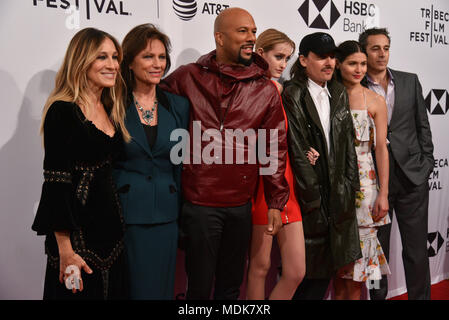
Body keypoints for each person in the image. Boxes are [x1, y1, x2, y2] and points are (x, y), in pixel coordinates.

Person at [160, 8, 289, 300]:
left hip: (239, 206)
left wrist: (275, 201)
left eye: (254, 32)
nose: (251, 38)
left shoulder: (265, 89)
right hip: (199, 203)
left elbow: (273, 147)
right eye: (243, 31)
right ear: (219, 37)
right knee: (199, 289)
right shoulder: (187, 77)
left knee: (231, 289)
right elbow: (149, 111)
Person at [31, 28, 130, 299]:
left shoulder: (112, 108)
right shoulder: (62, 111)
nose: (112, 65)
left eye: (114, 57)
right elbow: (56, 183)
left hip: (113, 239)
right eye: (102, 57)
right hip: (77, 243)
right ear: (82, 61)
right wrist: (65, 250)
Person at [282, 32, 362, 300]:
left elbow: (348, 145)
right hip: (309, 200)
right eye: (321, 57)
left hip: (338, 196)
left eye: (332, 56)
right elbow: (297, 148)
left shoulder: (338, 92)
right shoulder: (293, 93)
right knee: (304, 277)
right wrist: (313, 198)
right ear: (304, 60)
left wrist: (350, 186)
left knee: (326, 274)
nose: (329, 62)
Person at [113, 24, 189, 300]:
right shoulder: (113, 103)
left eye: (161, 57)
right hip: (125, 216)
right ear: (130, 61)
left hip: (167, 217)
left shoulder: (178, 106)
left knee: (161, 289)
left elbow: (180, 164)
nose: (157, 64)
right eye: (148, 56)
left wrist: (182, 213)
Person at [359, 28, 434, 300]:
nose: (382, 54)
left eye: (386, 47)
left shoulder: (409, 81)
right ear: (364, 51)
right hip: (376, 182)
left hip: (413, 178)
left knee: (416, 251)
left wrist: (426, 164)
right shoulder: (355, 85)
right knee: (377, 254)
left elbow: (422, 126)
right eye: (375, 48)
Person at [247, 28, 305, 300]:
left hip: (287, 185)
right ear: (260, 53)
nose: (283, 64)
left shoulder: (279, 88)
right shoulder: (252, 88)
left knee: (295, 271)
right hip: (261, 186)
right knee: (260, 267)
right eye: (278, 56)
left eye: (287, 58)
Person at [332, 40, 391, 300]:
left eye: (363, 64)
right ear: (339, 64)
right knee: (338, 268)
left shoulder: (376, 101)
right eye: (352, 63)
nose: (359, 69)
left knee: (358, 271)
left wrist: (383, 194)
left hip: (365, 190)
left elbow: (381, 150)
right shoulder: (327, 96)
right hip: (334, 187)